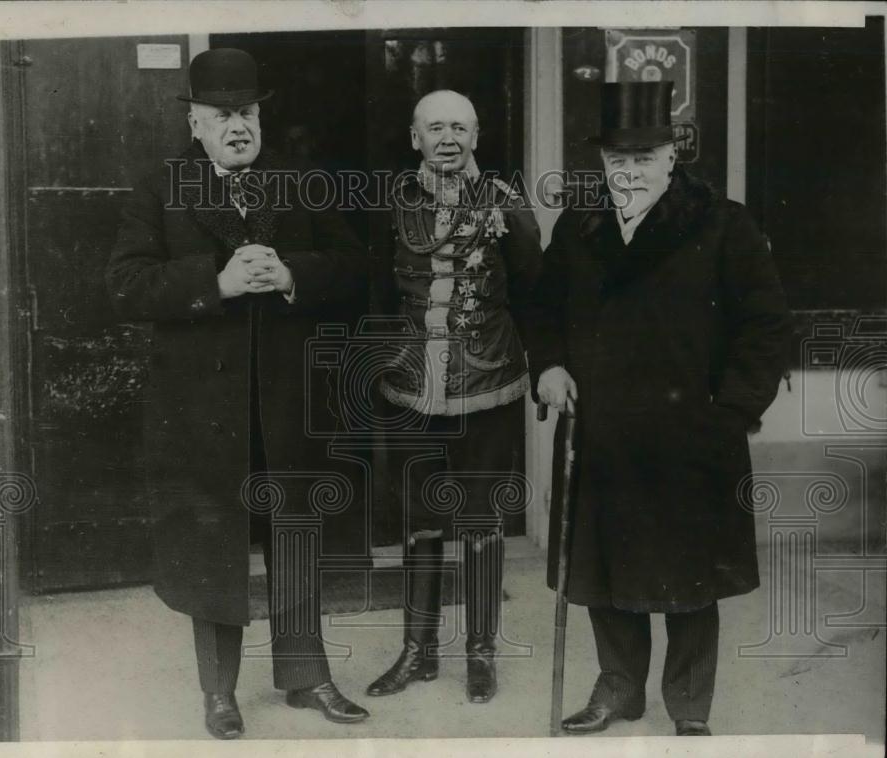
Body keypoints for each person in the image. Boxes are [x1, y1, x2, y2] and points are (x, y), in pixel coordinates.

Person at [105, 48, 369, 740]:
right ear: (195, 123)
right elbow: (125, 286)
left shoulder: (302, 184)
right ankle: (218, 692)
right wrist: (214, 281)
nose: (238, 127)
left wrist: (290, 274)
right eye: (222, 116)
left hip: (286, 399)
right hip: (200, 409)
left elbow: (355, 271)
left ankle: (307, 676)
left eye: (247, 113)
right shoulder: (158, 189)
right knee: (208, 539)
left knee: (298, 532)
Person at [524, 81, 790, 737]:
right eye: (618, 159)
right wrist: (550, 365)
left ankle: (689, 705)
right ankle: (619, 689)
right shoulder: (579, 228)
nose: (629, 171)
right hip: (600, 432)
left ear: (672, 157)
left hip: (690, 434)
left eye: (644, 157)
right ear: (603, 164)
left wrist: (729, 413)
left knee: (689, 579)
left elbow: (767, 328)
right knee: (603, 569)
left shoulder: (724, 224)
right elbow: (540, 307)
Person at [366, 89, 542, 704]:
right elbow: (374, 292)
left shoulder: (506, 202)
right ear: (414, 138)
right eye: (435, 128)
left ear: (476, 137)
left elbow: (535, 288)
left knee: (482, 521)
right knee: (419, 521)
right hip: (413, 389)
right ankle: (417, 652)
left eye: (460, 128)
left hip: (488, 385)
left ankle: (480, 653)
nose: (448, 138)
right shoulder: (391, 202)